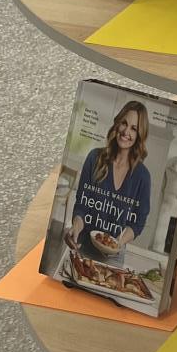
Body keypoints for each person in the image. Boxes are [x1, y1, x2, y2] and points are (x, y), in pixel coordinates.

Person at [62, 99, 152, 269]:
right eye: (124, 123)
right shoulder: (94, 158)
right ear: (117, 124)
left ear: (140, 135)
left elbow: (138, 223)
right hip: (82, 246)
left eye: (134, 128)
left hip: (113, 257)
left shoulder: (143, 177)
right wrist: (75, 227)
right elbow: (82, 205)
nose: (126, 131)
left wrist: (117, 243)